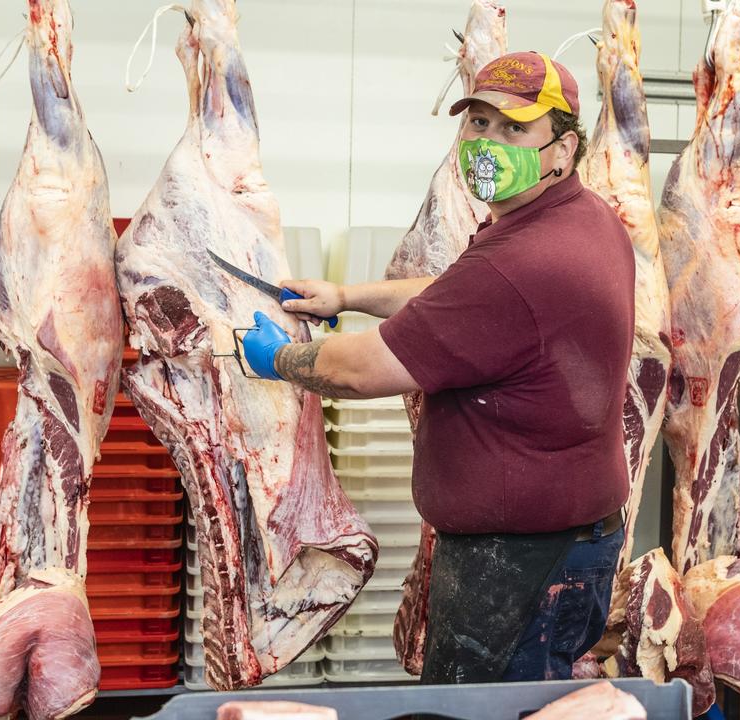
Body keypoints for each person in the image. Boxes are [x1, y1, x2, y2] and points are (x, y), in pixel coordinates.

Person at [238, 51, 635, 683]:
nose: (487, 141)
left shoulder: (527, 261)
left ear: (563, 149)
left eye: (513, 129)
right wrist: (347, 297)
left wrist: (279, 358)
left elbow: (359, 371)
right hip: (562, 541)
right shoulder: (580, 220)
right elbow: (456, 289)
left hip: (519, 562)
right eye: (477, 123)